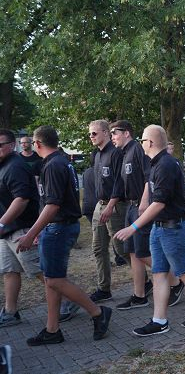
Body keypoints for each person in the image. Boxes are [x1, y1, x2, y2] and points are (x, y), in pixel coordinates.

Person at [16, 125, 111, 346]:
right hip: (57, 227)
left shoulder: (53, 165)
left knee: (55, 280)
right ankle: (52, 329)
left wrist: (32, 233)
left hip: (59, 227)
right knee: (52, 279)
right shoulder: (60, 162)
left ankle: (98, 313)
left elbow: (53, 205)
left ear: (37, 144)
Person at [114, 125, 185, 336]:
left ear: (149, 142)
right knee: (158, 273)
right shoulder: (155, 164)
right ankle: (159, 321)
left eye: (142, 140)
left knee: (183, 270)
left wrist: (133, 227)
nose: (140, 144)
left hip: (173, 228)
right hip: (160, 228)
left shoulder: (166, 164)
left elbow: (159, 202)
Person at [110, 120, 184, 310]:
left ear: (126, 133)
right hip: (130, 205)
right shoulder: (124, 152)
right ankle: (139, 294)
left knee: (143, 252)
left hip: (141, 206)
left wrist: (144, 201)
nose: (112, 137)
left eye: (115, 133)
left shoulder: (138, 150)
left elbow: (148, 177)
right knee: (133, 252)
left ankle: (176, 281)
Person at [0, 129, 41, 328]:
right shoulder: (3, 165)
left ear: (12, 145)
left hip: (22, 228)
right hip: (7, 231)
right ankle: (10, 313)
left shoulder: (15, 166)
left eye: (0, 145)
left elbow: (21, 199)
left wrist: (2, 223)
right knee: (9, 270)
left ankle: (71, 302)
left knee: (40, 271)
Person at [88, 119, 128, 302]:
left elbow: (120, 182)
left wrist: (111, 205)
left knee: (121, 249)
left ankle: (145, 282)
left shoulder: (116, 153)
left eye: (94, 133)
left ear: (105, 132)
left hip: (115, 206)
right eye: (89, 134)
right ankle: (104, 289)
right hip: (100, 205)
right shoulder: (96, 155)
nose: (91, 136)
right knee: (98, 248)